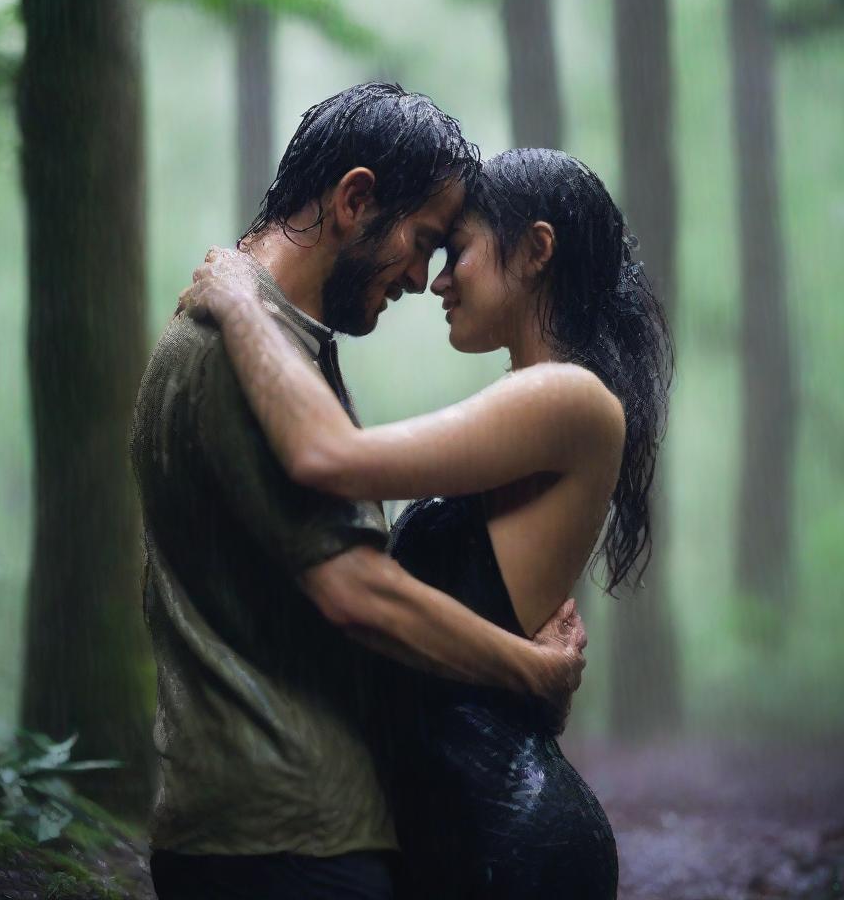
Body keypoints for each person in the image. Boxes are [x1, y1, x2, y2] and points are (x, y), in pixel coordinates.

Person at [131, 87, 589, 900]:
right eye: (420, 242)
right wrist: (531, 671)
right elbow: (355, 593)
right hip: (288, 842)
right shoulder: (244, 351)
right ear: (355, 200)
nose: (421, 277)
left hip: (268, 828)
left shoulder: (266, 345)